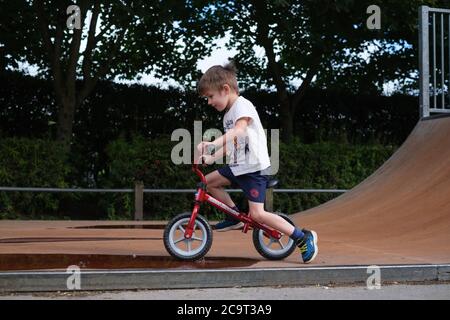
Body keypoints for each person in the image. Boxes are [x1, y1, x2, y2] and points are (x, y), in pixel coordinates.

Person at [195, 62, 318, 263]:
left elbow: (240, 131)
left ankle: (302, 237)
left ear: (225, 89)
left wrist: (210, 145)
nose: (209, 102)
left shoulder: (242, 106)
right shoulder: (228, 114)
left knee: (258, 215)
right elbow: (234, 142)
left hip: (253, 169)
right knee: (207, 182)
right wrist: (211, 157)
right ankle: (234, 216)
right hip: (238, 166)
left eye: (210, 96)